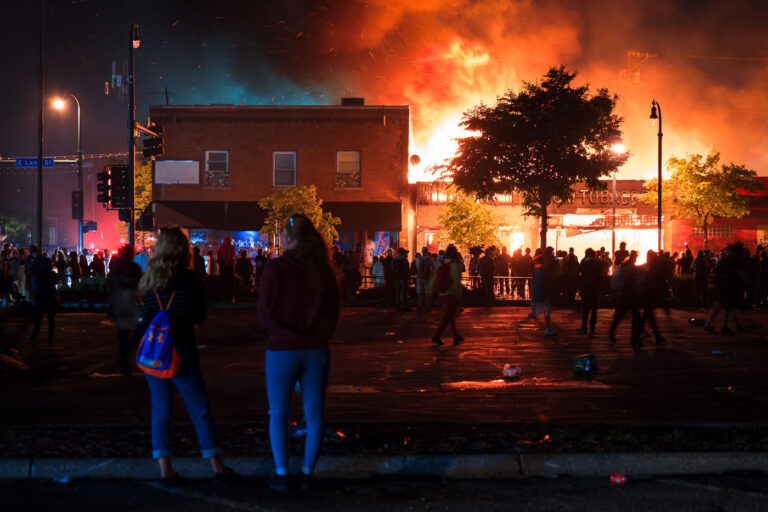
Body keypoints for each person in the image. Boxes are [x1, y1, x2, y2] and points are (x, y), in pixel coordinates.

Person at [137, 228, 238, 485]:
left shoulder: (150, 280)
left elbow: (145, 319)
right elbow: (199, 316)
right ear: (183, 250)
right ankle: (217, 466)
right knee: (199, 408)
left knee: (160, 410)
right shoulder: (190, 280)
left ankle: (164, 469)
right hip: (182, 350)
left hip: (156, 354)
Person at [257, 214, 340, 492]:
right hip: (315, 349)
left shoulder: (275, 268)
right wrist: (321, 337)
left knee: (278, 412)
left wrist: (275, 336)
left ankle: (282, 473)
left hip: (281, 348)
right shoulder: (324, 271)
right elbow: (333, 313)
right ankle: (307, 474)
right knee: (314, 413)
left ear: (289, 239)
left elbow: (264, 314)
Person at [108, 245, 142, 374]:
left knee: (122, 333)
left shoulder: (117, 267)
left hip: (120, 302)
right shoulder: (134, 268)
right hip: (131, 302)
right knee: (139, 327)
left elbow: (112, 283)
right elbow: (139, 283)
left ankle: (123, 358)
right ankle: (126, 355)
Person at [431, 245, 464, 345]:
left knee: (450, 315)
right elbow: (456, 281)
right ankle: (437, 335)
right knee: (448, 315)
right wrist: (459, 296)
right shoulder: (454, 265)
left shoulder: (441, 263)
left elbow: (435, 277)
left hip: (442, 293)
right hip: (451, 293)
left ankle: (455, 335)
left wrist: (431, 289)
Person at [608, 251, 640, 345]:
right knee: (632, 316)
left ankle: (613, 332)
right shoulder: (629, 268)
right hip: (624, 294)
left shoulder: (624, 266)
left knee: (625, 315)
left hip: (622, 293)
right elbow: (628, 283)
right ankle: (633, 337)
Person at [29, 246, 57, 344]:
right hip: (51, 298)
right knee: (51, 319)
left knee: (38, 318)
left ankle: (34, 335)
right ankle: (50, 338)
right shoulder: (52, 275)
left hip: (41, 297)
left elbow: (36, 285)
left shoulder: (39, 275)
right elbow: (55, 284)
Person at [526, 247, 557, 336]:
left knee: (542, 306)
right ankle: (547, 328)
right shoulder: (544, 270)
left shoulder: (536, 269)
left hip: (538, 289)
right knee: (547, 309)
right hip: (544, 291)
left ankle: (534, 313)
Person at [577, 248, 603, 335]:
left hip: (585, 289)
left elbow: (577, 272)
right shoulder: (597, 263)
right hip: (594, 289)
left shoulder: (583, 262)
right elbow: (600, 276)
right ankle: (592, 328)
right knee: (594, 309)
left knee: (584, 309)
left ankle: (584, 327)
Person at [415, 247, 435, 311]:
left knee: (420, 293)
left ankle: (420, 306)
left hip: (419, 278)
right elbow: (434, 267)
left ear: (422, 251)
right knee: (427, 293)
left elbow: (417, 268)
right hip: (427, 277)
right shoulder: (430, 259)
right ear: (427, 252)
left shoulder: (418, 259)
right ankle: (427, 306)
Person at [217, 236, 236, 302]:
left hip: (223, 267)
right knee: (230, 282)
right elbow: (233, 255)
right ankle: (230, 296)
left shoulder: (221, 247)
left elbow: (219, 256)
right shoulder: (231, 247)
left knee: (222, 281)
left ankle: (222, 296)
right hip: (229, 266)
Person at [392, 248, 411, 312]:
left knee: (398, 293)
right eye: (406, 253)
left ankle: (398, 307)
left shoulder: (395, 260)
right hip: (403, 278)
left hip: (397, 278)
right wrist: (408, 277)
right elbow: (406, 270)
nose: (407, 254)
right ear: (402, 253)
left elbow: (392, 268)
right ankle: (405, 307)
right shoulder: (404, 260)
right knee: (405, 293)